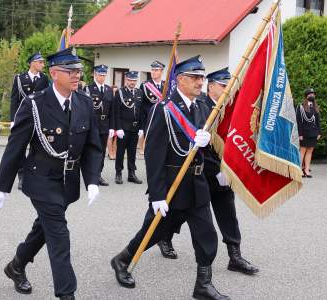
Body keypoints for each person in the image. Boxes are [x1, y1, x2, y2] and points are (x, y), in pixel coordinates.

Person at [110, 56, 230, 300]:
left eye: (202, 78)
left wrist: (205, 146)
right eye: (195, 78)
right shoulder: (164, 109)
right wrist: (157, 195)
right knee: (151, 233)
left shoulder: (201, 108)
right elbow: (153, 155)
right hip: (171, 188)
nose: (200, 82)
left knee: (207, 235)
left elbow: (198, 150)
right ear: (181, 80)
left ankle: (203, 285)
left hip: (196, 185)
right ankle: (122, 260)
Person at [0, 47, 102, 300]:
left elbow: (93, 146)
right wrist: (0, 187)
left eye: (79, 71)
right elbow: (15, 148)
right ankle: (66, 294)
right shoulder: (35, 104)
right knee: (59, 236)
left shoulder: (84, 102)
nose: (76, 75)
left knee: (46, 227)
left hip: (67, 182)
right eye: (70, 71)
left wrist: (92, 180)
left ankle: (16, 265)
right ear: (54, 73)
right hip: (41, 179)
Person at [157, 67, 259, 276]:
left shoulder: (231, 109)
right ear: (211, 86)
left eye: (229, 87)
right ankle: (164, 237)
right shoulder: (201, 106)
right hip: (203, 174)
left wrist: (230, 168)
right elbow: (199, 147)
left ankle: (235, 255)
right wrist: (216, 171)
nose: (227, 91)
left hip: (224, 173)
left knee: (228, 214)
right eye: (223, 86)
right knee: (179, 213)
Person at [10, 52, 50, 190]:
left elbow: (46, 100)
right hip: (23, 119)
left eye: (43, 62)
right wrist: (12, 120)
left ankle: (34, 175)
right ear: (32, 63)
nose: (43, 65)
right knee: (20, 148)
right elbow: (14, 100)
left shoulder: (44, 79)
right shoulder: (20, 79)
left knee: (38, 148)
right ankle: (22, 175)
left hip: (39, 119)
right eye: (40, 62)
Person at [84, 64, 114, 186]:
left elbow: (112, 110)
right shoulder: (88, 89)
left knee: (101, 151)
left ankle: (98, 174)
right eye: (100, 75)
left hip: (104, 125)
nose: (102, 77)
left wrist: (112, 126)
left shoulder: (108, 89)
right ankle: (90, 174)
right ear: (95, 75)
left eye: (104, 75)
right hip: (92, 124)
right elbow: (84, 109)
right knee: (91, 150)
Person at [113, 71, 143, 185]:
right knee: (120, 152)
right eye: (130, 80)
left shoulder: (139, 92)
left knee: (132, 152)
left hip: (135, 128)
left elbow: (141, 112)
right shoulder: (120, 92)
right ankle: (118, 173)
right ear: (126, 80)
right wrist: (118, 128)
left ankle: (131, 174)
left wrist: (142, 128)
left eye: (134, 80)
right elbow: (116, 112)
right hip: (123, 129)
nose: (132, 82)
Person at [139, 60, 165, 154]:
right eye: (152, 70)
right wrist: (141, 126)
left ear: (161, 72)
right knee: (150, 149)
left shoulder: (165, 85)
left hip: (162, 121)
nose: (153, 72)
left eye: (156, 70)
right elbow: (141, 107)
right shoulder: (145, 85)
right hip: (149, 121)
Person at [296, 88, 321, 178]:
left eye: (313, 94)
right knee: (302, 151)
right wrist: (300, 134)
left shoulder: (315, 107)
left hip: (313, 133)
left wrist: (319, 132)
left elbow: (318, 121)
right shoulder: (301, 107)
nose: (312, 96)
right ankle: (299, 169)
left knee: (310, 151)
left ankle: (307, 169)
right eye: (310, 94)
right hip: (304, 133)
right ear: (306, 96)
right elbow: (299, 122)